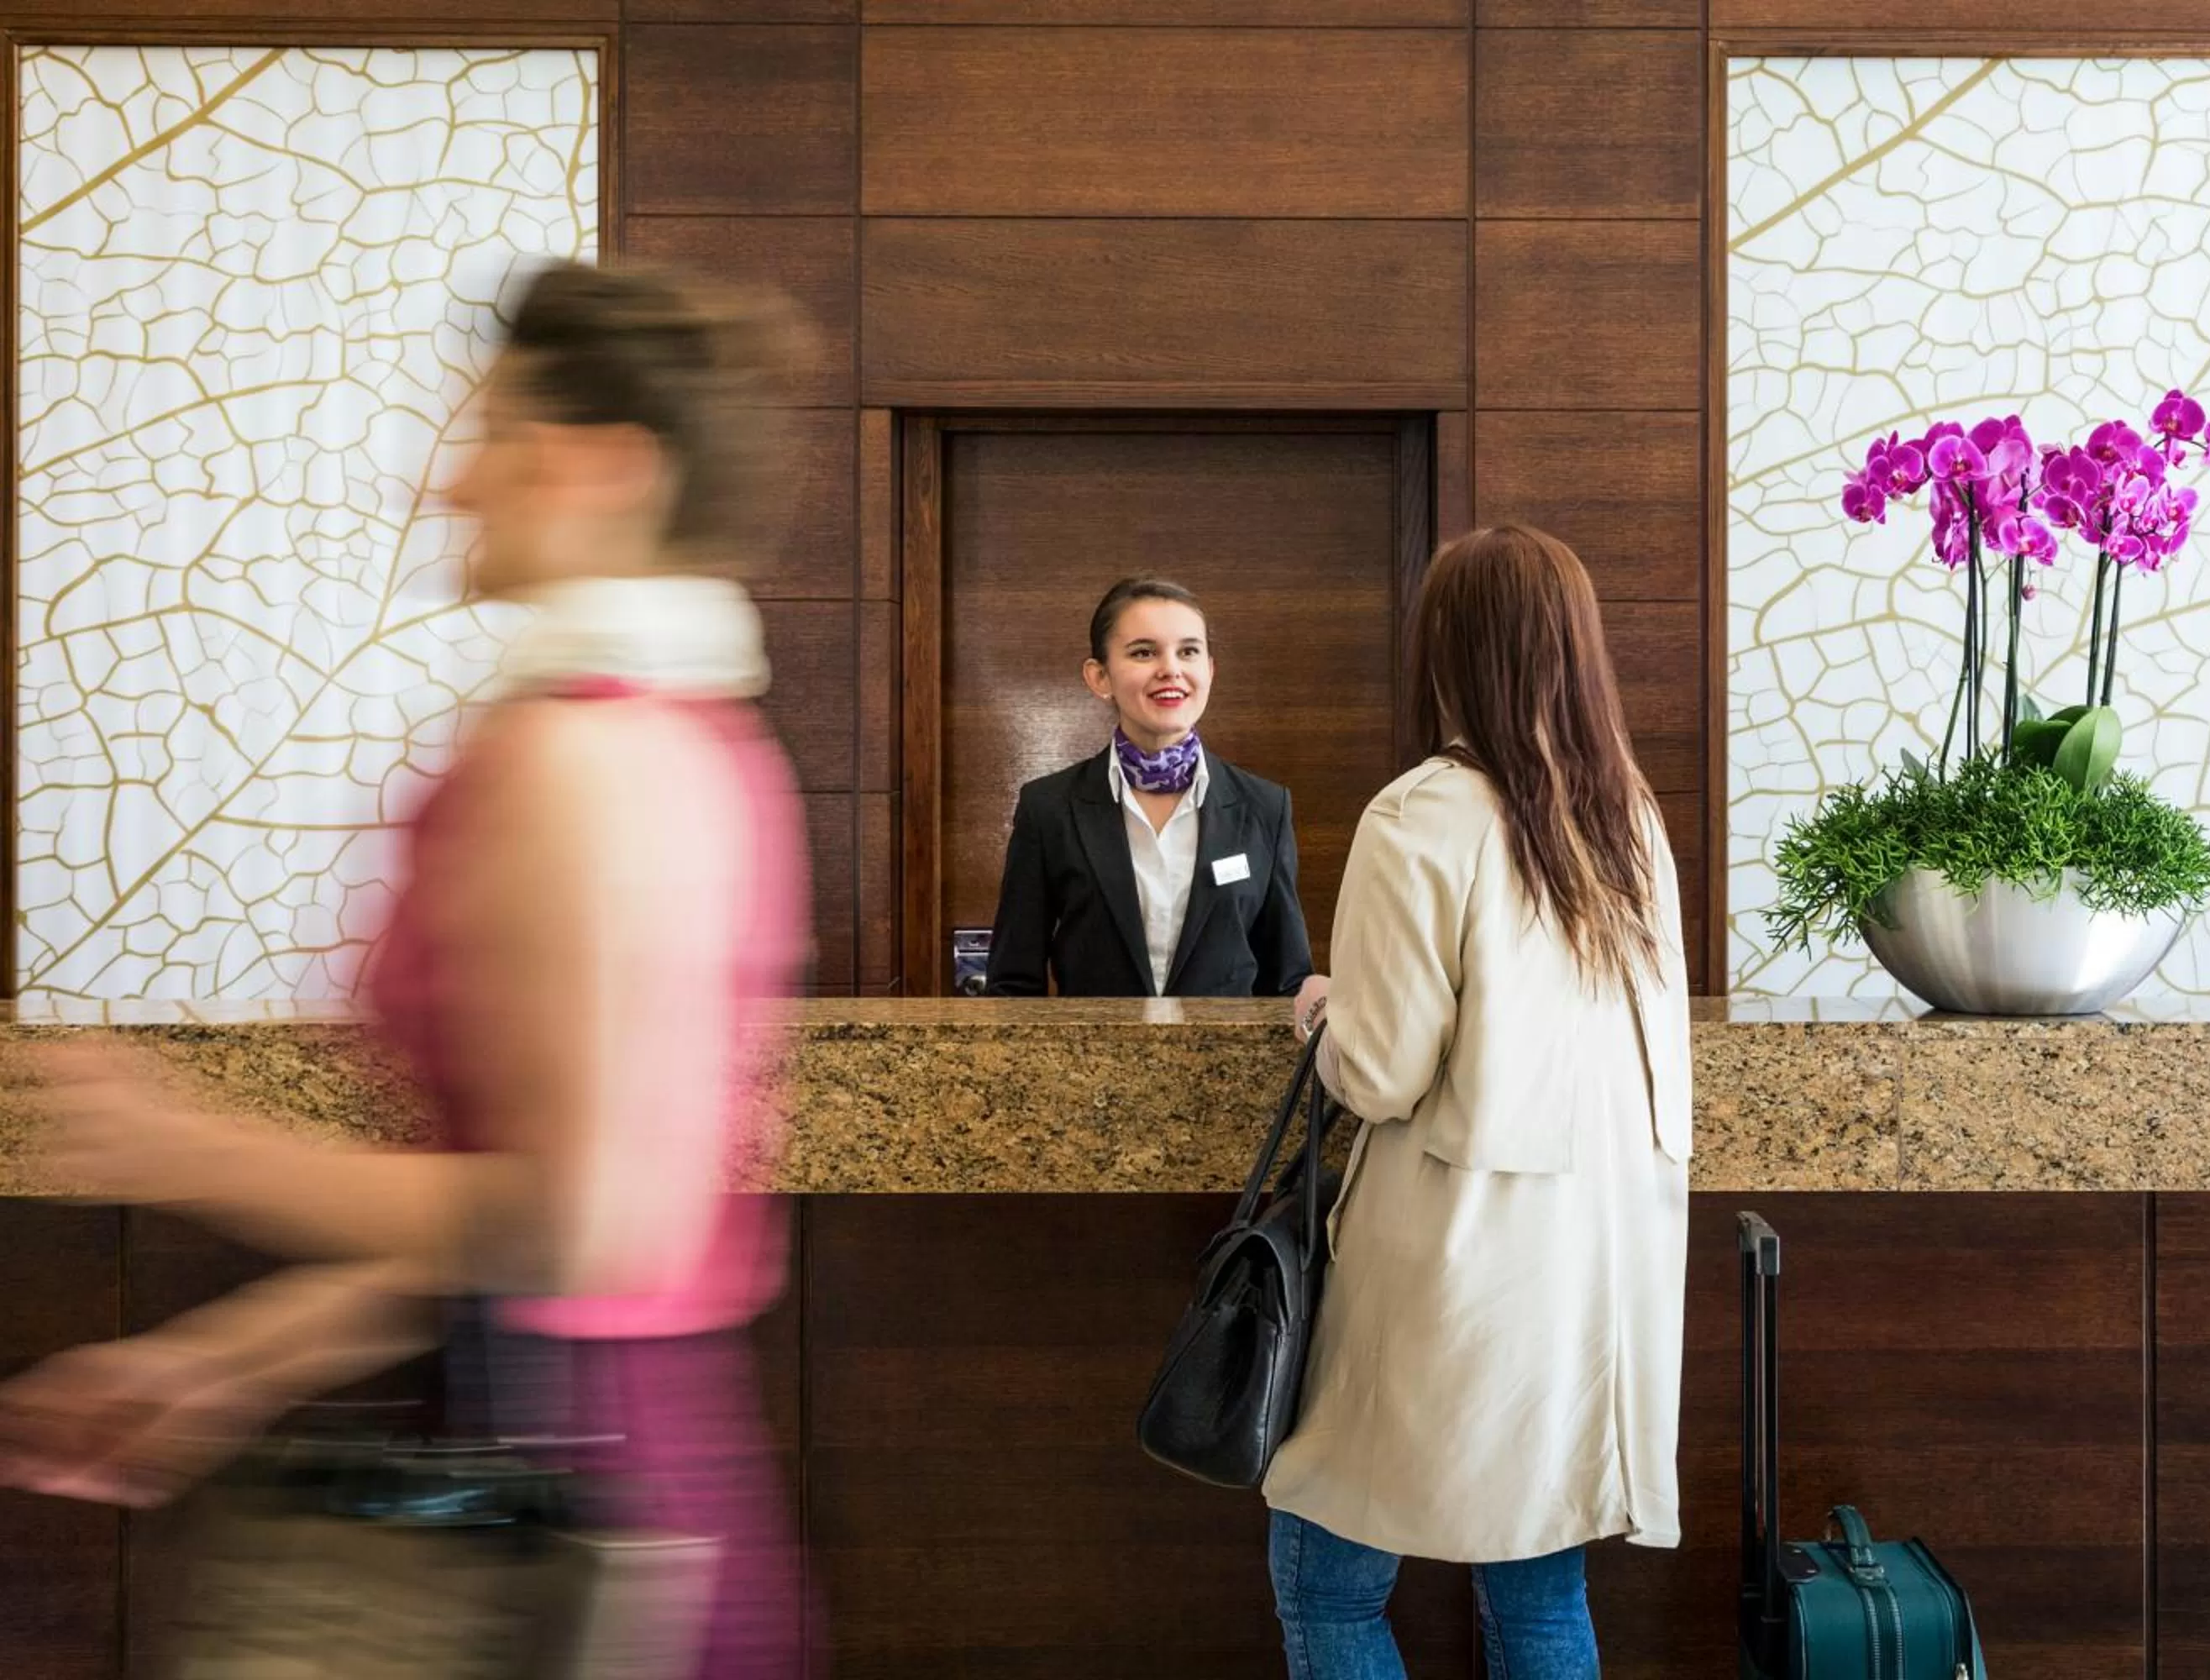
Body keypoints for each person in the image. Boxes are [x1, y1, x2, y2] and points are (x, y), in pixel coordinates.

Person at [0, 259, 814, 1678]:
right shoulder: (664, 739)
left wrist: (182, 1147)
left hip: (574, 1535)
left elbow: (583, 1231)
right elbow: (523, 1244)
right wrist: (220, 1366)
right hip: (588, 1470)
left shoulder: (583, 762)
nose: (451, 483)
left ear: (608, 467)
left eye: (494, 434)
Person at [1263, 524, 1693, 1678]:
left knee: (1328, 1579)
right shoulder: (1628, 818)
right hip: (1593, 1267)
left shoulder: (1421, 815)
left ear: (1447, 649)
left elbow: (1381, 1071)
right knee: (1539, 1580)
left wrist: (1321, 1012)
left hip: (1454, 1260)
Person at [985, 576, 1313, 998]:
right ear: (1099, 677)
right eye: (1144, 652)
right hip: (1088, 1062)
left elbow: (1287, 983)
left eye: (1189, 651)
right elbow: (1013, 984)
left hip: (1221, 1063)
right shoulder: (1049, 808)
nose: (1171, 669)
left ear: (1209, 671)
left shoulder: (1265, 807)